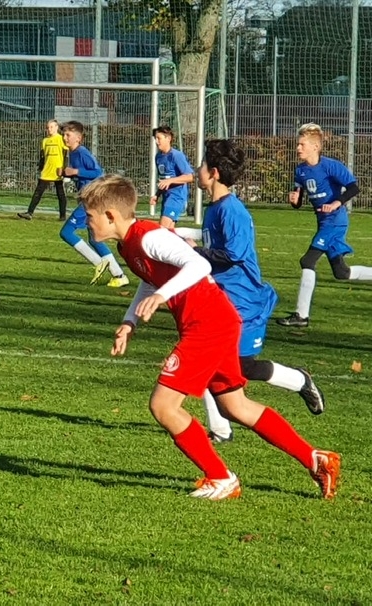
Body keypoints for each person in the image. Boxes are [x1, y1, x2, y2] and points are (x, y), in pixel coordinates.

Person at [82, 174, 340, 501]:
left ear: (110, 215)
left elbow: (198, 265)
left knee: (163, 406)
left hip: (208, 325)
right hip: (216, 322)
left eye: (89, 216)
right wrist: (129, 322)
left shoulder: (149, 237)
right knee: (235, 406)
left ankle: (220, 478)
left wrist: (162, 297)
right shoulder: (127, 244)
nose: (86, 223)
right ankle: (316, 459)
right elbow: (150, 279)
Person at [179, 140, 326, 445]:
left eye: (202, 164)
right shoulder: (214, 208)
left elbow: (232, 255)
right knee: (208, 362)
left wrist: (197, 251)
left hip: (244, 303)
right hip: (222, 301)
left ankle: (300, 380)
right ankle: (221, 430)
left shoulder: (231, 210)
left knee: (240, 367)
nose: (197, 169)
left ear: (214, 173)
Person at [276, 123, 372, 328]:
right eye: (298, 144)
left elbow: (354, 188)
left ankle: (301, 316)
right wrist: (294, 201)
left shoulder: (330, 166)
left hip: (335, 221)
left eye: (302, 144)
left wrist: (336, 203)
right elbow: (298, 201)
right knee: (341, 272)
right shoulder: (300, 171)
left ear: (315, 147)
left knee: (307, 260)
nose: (298, 148)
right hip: (323, 223)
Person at [58, 121, 128, 287]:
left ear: (78, 138)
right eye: (64, 134)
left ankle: (98, 263)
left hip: (92, 199)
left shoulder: (82, 152)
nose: (64, 137)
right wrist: (67, 174)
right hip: (89, 198)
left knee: (66, 232)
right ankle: (119, 275)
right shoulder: (72, 153)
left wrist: (75, 171)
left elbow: (98, 172)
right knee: (95, 239)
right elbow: (83, 176)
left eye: (68, 135)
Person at [17, 119, 68, 221]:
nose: (49, 129)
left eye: (51, 127)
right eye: (48, 127)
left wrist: (64, 169)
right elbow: (42, 156)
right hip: (46, 171)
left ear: (56, 127)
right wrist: (40, 167)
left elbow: (65, 155)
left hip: (57, 171)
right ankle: (29, 213)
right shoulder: (45, 141)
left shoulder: (61, 139)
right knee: (38, 192)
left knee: (60, 193)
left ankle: (62, 216)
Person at [150, 126, 194, 229]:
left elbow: (190, 177)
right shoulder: (158, 157)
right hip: (166, 197)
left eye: (159, 138)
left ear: (168, 138)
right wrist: (157, 194)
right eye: (155, 138)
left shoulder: (177, 155)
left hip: (176, 197)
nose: (156, 141)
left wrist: (170, 181)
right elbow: (163, 180)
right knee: (169, 232)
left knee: (162, 230)